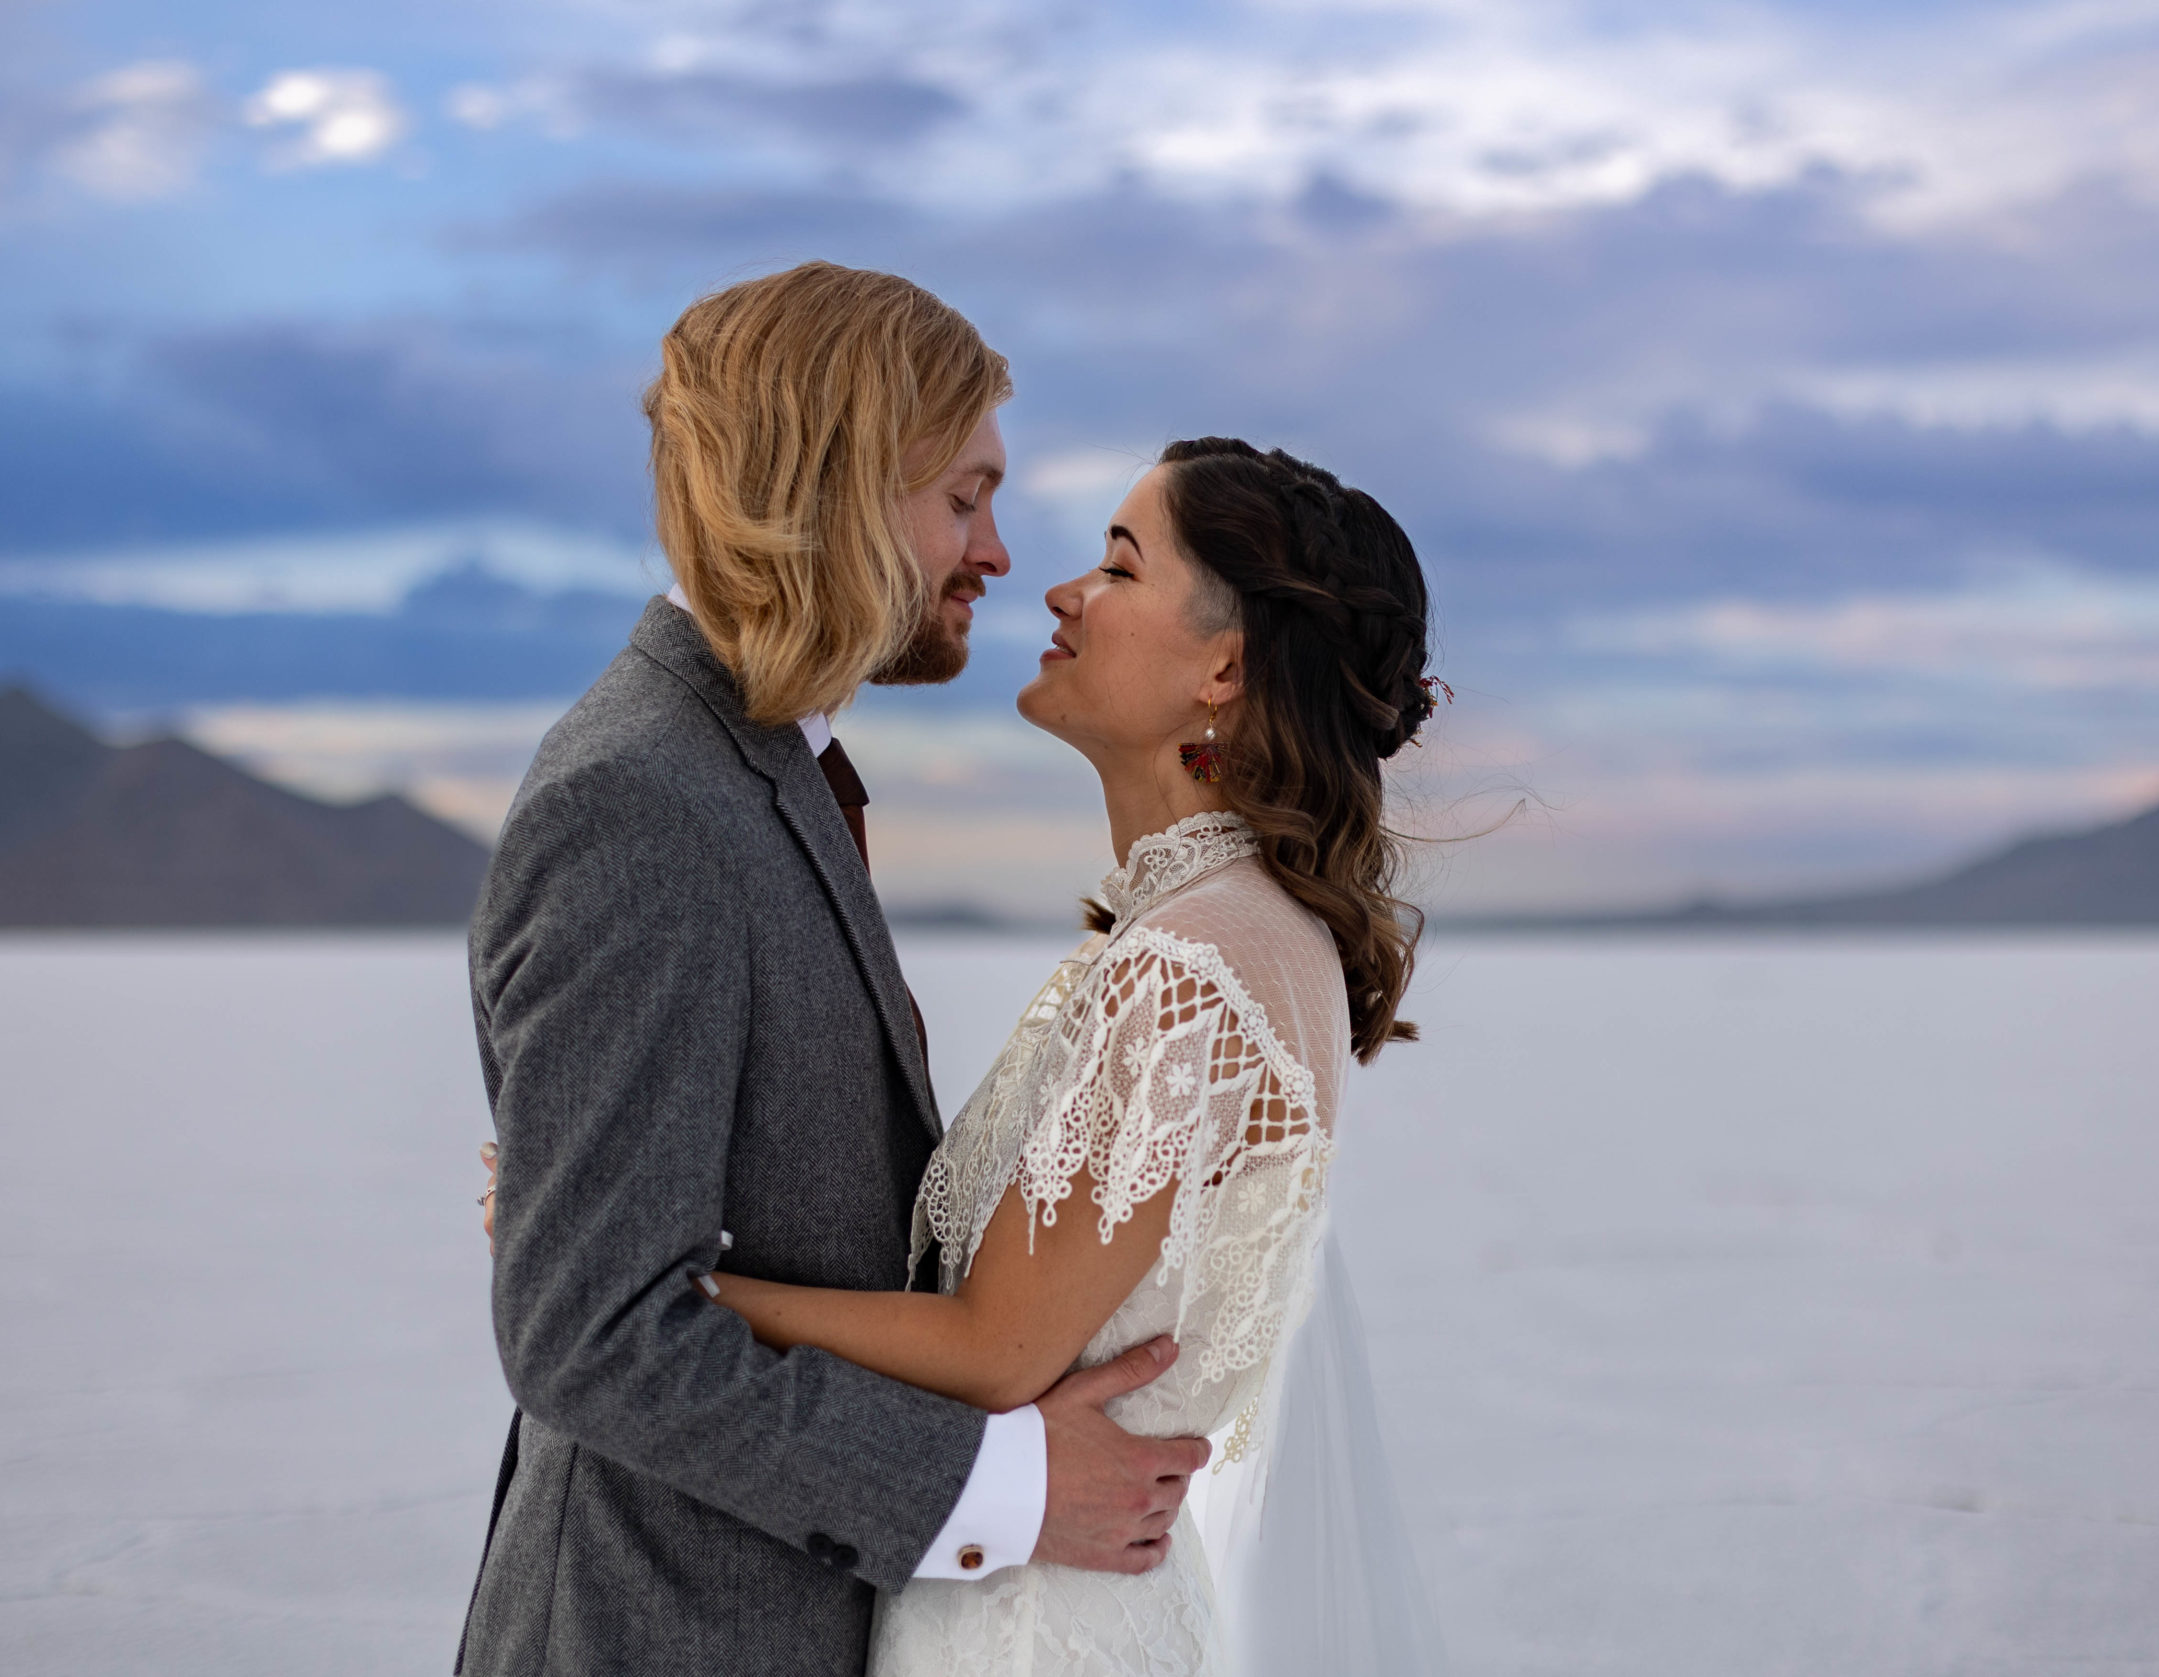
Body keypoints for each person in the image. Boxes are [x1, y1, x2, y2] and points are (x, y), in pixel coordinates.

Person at [457, 262, 1212, 1677]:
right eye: (964, 498)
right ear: (844, 489)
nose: (994, 554)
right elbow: (593, 1336)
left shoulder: (763, 777)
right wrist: (1008, 1486)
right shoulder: (641, 804)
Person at [627, 433, 1442, 1674]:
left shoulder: (1199, 959)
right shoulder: (1208, 929)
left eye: (1119, 566)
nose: (1061, 591)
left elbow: (996, 1348)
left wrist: (671, 1288)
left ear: (1223, 665)